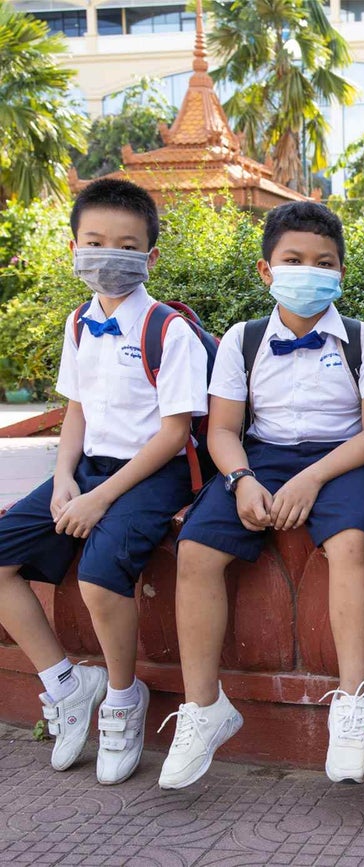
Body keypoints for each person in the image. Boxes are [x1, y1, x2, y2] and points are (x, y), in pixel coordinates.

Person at [159, 202, 364, 789]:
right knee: (194, 553)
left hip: (342, 459)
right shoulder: (243, 341)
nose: (308, 271)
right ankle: (203, 707)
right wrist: (241, 481)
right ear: (267, 271)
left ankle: (351, 704)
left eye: (323, 262)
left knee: (350, 547)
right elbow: (220, 430)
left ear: (340, 273)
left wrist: (313, 478)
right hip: (258, 460)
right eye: (293, 259)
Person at [0, 179, 209, 784]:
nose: (107, 255)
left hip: (152, 473)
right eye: (95, 242)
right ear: (73, 247)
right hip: (87, 468)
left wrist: (99, 498)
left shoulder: (167, 331)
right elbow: (78, 412)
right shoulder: (78, 323)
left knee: (98, 573)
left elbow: (174, 435)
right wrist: (64, 477)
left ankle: (122, 695)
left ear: (150, 257)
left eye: (125, 245)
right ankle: (67, 684)